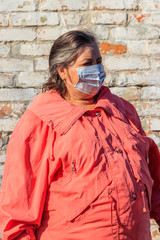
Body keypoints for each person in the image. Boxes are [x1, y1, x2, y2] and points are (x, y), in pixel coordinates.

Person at [0, 30, 160, 240]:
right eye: (86, 64)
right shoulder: (40, 122)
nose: (96, 69)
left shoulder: (123, 111)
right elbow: (18, 208)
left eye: (98, 61)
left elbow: (152, 181)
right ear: (63, 71)